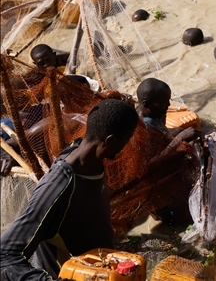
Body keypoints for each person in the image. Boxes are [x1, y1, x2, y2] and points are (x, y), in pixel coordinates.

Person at [0, 99, 138, 279]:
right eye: (126, 140)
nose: (126, 146)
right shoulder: (58, 186)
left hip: (98, 272)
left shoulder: (89, 158)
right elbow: (6, 255)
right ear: (110, 141)